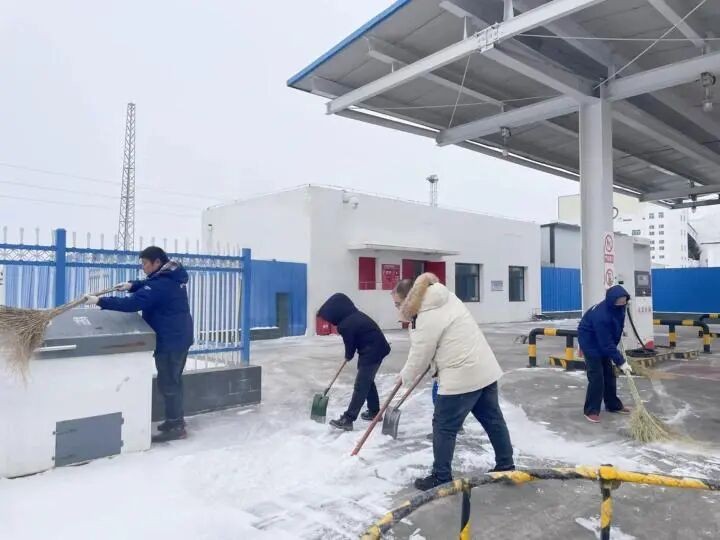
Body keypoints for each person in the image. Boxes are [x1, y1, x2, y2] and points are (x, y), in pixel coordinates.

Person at [393, 273, 514, 491]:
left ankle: (441, 476)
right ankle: (506, 464)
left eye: (397, 304)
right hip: (484, 368)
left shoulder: (424, 316)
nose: (397, 309)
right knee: (493, 419)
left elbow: (420, 354)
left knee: (443, 426)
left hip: (461, 376)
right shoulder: (447, 297)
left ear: (409, 299)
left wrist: (405, 376)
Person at [85, 246, 194, 442]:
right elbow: (148, 284)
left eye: (145, 263)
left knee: (169, 383)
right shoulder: (169, 277)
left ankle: (176, 426)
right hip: (177, 337)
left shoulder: (161, 284)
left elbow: (132, 304)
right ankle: (174, 420)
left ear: (157, 263)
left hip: (171, 340)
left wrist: (100, 301)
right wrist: (131, 285)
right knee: (172, 381)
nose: (143, 267)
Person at [317, 293, 391, 431]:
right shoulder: (356, 315)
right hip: (375, 349)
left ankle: (348, 419)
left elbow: (350, 345)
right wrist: (350, 354)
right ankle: (374, 411)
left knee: (361, 385)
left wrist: (348, 355)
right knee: (367, 381)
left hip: (372, 351)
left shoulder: (345, 324)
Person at [577, 284, 633, 423]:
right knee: (597, 378)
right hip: (590, 343)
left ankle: (613, 405)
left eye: (624, 300)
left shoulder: (619, 308)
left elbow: (616, 324)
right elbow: (606, 344)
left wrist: (619, 334)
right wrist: (621, 362)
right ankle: (591, 411)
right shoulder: (601, 315)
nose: (622, 302)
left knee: (609, 375)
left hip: (602, 341)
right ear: (612, 300)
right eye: (620, 300)